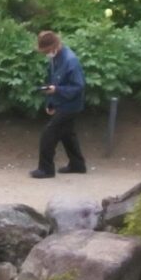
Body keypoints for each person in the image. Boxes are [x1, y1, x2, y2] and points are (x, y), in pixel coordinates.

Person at [29, 29, 87, 179]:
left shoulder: (70, 60)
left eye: (46, 50)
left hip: (70, 105)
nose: (45, 54)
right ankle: (77, 164)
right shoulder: (55, 58)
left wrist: (57, 90)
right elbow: (52, 81)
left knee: (49, 134)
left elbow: (78, 86)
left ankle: (46, 169)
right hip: (62, 103)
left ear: (54, 46)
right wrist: (51, 102)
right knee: (67, 134)